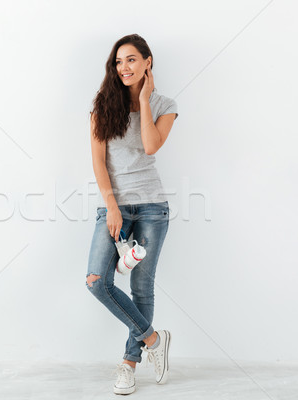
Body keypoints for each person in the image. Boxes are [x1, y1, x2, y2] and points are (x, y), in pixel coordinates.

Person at [86, 33, 179, 395]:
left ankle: (128, 364)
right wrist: (112, 207)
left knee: (142, 287)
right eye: (118, 62)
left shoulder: (165, 104)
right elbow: (98, 162)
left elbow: (152, 145)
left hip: (153, 207)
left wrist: (143, 100)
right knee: (98, 281)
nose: (123, 67)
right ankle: (155, 340)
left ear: (147, 62)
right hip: (114, 206)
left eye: (131, 60)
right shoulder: (101, 105)